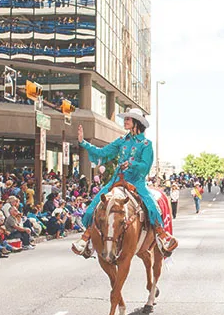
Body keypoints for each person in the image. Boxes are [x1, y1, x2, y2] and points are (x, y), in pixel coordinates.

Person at [71, 108, 178, 256]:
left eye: (128, 119)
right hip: (116, 180)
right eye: (126, 119)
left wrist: (131, 163)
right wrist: (84, 143)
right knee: (93, 205)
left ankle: (161, 235)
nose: (125, 121)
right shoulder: (122, 141)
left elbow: (145, 166)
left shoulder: (146, 144)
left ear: (137, 123)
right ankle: (87, 239)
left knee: (152, 207)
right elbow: (103, 152)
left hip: (136, 182)